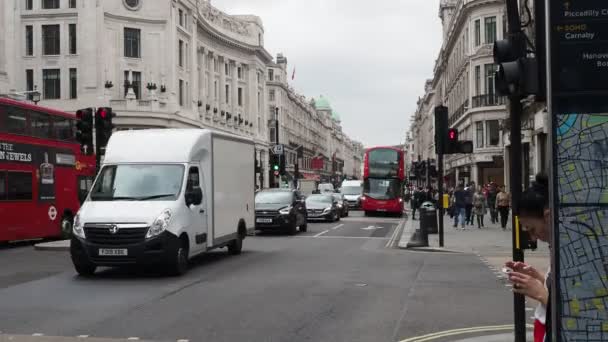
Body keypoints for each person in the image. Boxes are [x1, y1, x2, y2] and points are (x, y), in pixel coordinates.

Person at [505, 174, 551, 342]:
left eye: (532, 229)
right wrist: (537, 277)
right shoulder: (558, 247)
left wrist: (540, 293)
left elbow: (579, 313)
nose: (532, 238)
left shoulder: (574, 249)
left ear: (548, 216)